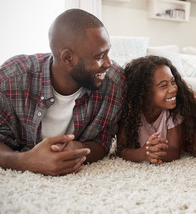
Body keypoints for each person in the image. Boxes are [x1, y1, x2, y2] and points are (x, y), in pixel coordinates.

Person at [0, 9, 126, 176]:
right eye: (100, 56)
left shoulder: (114, 82)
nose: (109, 63)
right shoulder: (12, 78)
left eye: (108, 52)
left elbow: (103, 141)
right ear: (68, 58)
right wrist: (24, 161)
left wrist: (80, 149)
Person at [117, 55, 196, 164]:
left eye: (173, 82)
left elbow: (174, 151)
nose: (173, 89)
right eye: (163, 85)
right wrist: (143, 154)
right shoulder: (130, 112)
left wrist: (154, 153)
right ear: (144, 92)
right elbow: (121, 150)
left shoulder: (175, 112)